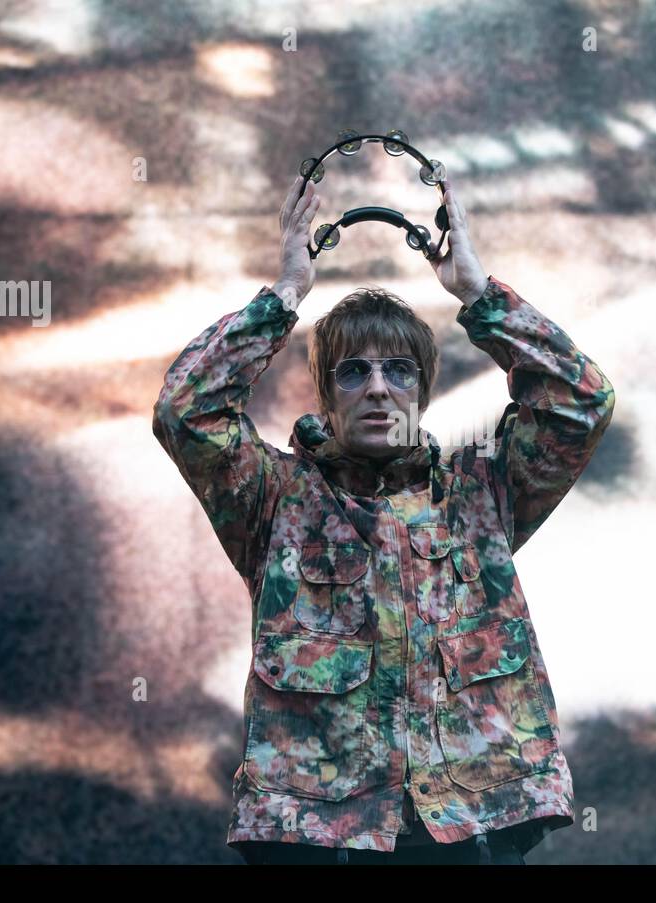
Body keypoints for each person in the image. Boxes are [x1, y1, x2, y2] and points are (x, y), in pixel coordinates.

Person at [153, 172, 615, 864]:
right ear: (328, 397)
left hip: (468, 831)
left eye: (398, 371)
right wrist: (282, 298)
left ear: (423, 394)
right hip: (319, 840)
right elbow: (185, 412)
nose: (376, 386)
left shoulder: (479, 493)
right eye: (353, 372)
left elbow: (581, 405)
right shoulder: (274, 498)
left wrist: (480, 295)